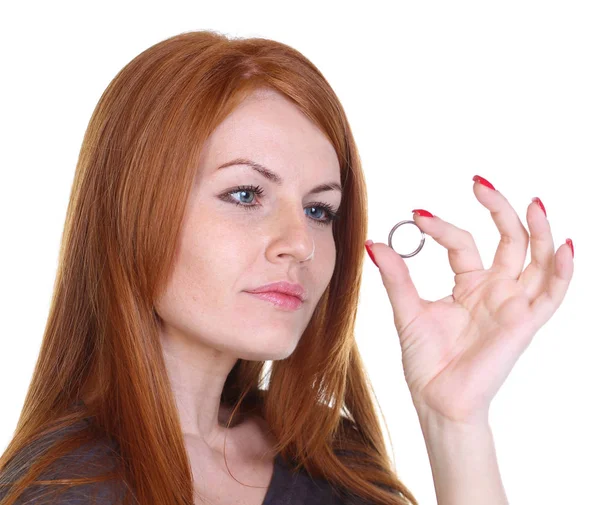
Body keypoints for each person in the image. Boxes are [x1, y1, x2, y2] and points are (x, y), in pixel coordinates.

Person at [0, 29, 574, 505]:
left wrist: (455, 422)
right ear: (131, 212)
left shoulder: (334, 463)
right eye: (246, 195)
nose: (300, 243)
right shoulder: (59, 489)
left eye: (320, 209)